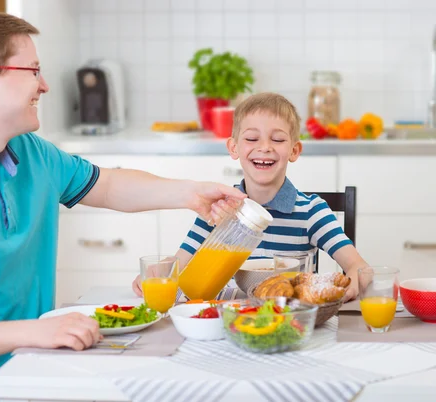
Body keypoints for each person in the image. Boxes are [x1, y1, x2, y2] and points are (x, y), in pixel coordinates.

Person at [0, 12, 245, 400]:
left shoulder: (32, 154)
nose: (45, 85)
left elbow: (107, 185)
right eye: (33, 70)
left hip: (33, 372)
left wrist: (189, 193)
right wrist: (35, 331)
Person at [133, 92, 368, 301]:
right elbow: (178, 266)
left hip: (290, 322)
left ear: (294, 151)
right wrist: (156, 273)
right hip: (228, 323)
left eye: (277, 139)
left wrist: (358, 278)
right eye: (252, 138)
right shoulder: (218, 209)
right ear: (234, 148)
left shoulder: (311, 213)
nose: (264, 147)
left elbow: (357, 265)